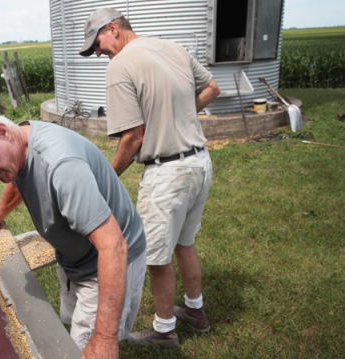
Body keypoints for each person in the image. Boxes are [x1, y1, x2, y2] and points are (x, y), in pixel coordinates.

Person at [0, 106, 146, 358]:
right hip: (76, 257)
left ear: (3, 131)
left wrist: (104, 338)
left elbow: (113, 246)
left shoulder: (62, 166)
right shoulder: (21, 145)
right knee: (75, 331)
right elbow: (17, 177)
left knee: (92, 348)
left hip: (106, 263)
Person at [78, 8, 221, 349]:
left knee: (156, 258)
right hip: (200, 163)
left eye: (96, 44)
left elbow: (133, 138)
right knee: (184, 243)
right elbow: (213, 88)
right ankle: (196, 312)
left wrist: (107, 177)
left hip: (168, 174)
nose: (98, 53)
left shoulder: (121, 65)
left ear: (113, 29)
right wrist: (180, 115)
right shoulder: (172, 47)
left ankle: (165, 329)